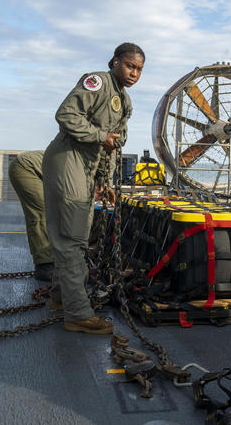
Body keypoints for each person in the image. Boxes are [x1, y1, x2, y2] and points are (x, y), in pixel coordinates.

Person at [43, 42, 144, 334]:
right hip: (68, 159)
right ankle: (76, 314)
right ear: (115, 62)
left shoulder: (124, 102)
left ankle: (61, 298)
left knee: (77, 236)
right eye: (129, 66)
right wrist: (100, 135)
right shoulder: (97, 82)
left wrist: (104, 181)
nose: (134, 73)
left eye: (139, 69)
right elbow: (66, 115)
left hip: (87, 168)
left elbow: (110, 146)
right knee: (71, 239)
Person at [8, 150, 54, 281]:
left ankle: (52, 258)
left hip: (37, 169)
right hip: (25, 168)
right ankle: (44, 266)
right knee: (42, 213)